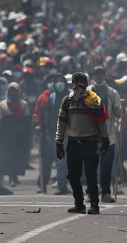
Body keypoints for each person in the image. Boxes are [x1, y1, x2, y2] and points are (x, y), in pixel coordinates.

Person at [56, 72, 109, 215]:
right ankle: (79, 204)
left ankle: (94, 205)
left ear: (87, 83)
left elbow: (101, 120)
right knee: (73, 175)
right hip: (73, 143)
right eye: (76, 81)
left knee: (91, 175)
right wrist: (59, 142)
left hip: (90, 142)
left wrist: (105, 139)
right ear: (72, 84)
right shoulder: (67, 101)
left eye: (82, 81)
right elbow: (61, 122)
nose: (79, 84)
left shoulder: (94, 100)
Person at [86, 66, 124, 203]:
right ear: (93, 76)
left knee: (106, 166)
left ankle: (106, 193)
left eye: (101, 74)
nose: (99, 76)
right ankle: (90, 193)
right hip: (90, 134)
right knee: (91, 165)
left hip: (108, 134)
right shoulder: (87, 92)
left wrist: (123, 106)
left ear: (104, 76)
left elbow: (118, 113)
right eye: (97, 74)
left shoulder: (112, 92)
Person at [0, 82, 30, 187]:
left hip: (19, 134)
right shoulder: (3, 103)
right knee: (7, 155)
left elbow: (26, 120)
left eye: (14, 90)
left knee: (17, 155)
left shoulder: (23, 104)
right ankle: (7, 176)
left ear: (18, 91)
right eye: (11, 90)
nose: (12, 92)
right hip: (6, 134)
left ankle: (14, 176)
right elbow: (0, 120)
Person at [45, 74, 71, 195]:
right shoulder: (52, 98)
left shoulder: (71, 96)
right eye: (57, 81)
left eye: (62, 81)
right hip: (58, 132)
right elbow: (49, 116)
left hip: (72, 132)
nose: (60, 83)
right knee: (60, 161)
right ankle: (62, 185)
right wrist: (48, 132)